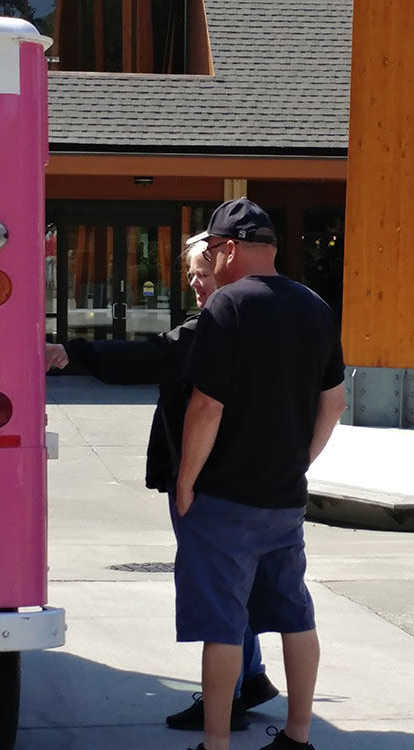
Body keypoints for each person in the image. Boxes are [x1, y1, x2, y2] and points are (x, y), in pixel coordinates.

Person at [59, 236, 279, 730]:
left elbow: (154, 357)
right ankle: (252, 675)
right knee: (237, 586)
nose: (197, 284)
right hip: (247, 477)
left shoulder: (218, 325)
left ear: (228, 265)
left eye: (203, 272)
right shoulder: (264, 319)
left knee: (220, 592)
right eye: (192, 276)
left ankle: (229, 699)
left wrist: (70, 353)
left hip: (209, 480)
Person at [174, 198, 346, 750]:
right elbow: (335, 401)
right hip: (284, 497)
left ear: (227, 250)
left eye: (212, 250)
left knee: (223, 624)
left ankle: (217, 743)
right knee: (295, 614)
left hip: (224, 496)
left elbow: (207, 406)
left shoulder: (227, 308)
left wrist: (185, 481)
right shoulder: (316, 308)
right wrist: (300, 461)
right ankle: (297, 736)